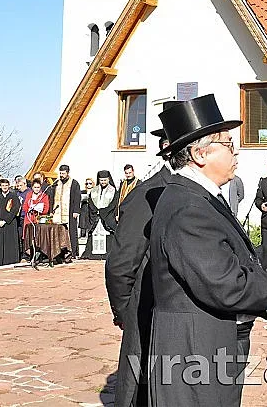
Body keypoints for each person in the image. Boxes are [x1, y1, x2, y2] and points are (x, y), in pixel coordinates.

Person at [147, 95, 267, 406]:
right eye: (227, 144)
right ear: (200, 154)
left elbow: (225, 252)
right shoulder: (188, 208)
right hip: (194, 352)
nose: (236, 151)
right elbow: (228, 286)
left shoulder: (200, 196)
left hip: (209, 344)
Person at [106, 125, 173, 407]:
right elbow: (121, 264)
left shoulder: (194, 191)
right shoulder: (149, 194)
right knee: (141, 388)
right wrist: (126, 312)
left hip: (176, 321)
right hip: (146, 312)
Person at [47, 165, 80, 262]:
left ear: (67, 173)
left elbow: (77, 197)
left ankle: (73, 252)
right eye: (60, 173)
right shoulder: (56, 183)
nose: (61, 175)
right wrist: (51, 212)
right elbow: (52, 198)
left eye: (63, 173)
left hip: (69, 212)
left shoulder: (74, 183)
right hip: (57, 212)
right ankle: (60, 252)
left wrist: (76, 210)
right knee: (58, 232)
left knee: (71, 232)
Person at [82, 171, 116, 260]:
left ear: (108, 179)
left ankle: (106, 254)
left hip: (107, 216)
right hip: (96, 216)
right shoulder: (94, 190)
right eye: (101, 180)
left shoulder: (113, 190)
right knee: (94, 233)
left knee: (107, 234)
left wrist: (104, 211)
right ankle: (93, 254)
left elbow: (114, 204)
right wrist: (96, 210)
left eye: (105, 180)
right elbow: (91, 202)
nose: (103, 182)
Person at [0, 179, 22, 267]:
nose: (4, 187)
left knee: (10, 242)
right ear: (0, 186)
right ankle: (1, 261)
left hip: (10, 223)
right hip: (0, 224)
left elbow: (15, 209)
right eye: (3, 185)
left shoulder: (13, 196)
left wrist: (6, 220)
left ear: (9, 185)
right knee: (1, 242)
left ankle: (11, 260)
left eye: (6, 185)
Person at [22, 180, 50, 265]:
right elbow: (25, 206)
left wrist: (39, 209)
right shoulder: (29, 195)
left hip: (38, 219)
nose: (36, 189)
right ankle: (30, 256)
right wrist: (29, 208)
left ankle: (39, 256)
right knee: (29, 237)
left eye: (38, 187)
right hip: (29, 218)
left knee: (38, 238)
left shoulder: (44, 195)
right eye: (35, 187)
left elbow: (46, 208)